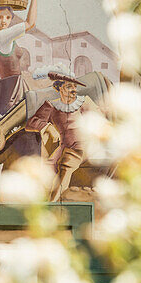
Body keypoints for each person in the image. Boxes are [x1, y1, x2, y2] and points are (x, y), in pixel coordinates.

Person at [23, 71, 91, 202]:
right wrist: (46, 127)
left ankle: (52, 204)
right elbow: (30, 123)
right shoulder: (52, 106)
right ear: (59, 88)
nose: (73, 90)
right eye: (69, 87)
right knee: (47, 168)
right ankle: (39, 203)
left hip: (83, 145)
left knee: (66, 164)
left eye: (75, 87)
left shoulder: (84, 103)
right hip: (64, 146)